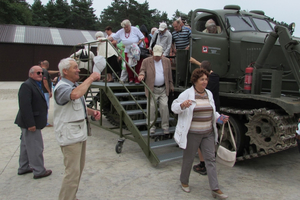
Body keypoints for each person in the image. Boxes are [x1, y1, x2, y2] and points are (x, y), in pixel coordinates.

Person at [171, 68, 229, 199]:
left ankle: (215, 189)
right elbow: (174, 107)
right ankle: (184, 181)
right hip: (192, 133)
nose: (205, 82)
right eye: (202, 79)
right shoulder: (187, 93)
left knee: (211, 160)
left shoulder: (209, 93)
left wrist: (220, 118)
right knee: (189, 158)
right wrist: (182, 105)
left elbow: (212, 112)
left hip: (208, 133)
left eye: (206, 79)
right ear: (195, 80)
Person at [53, 58, 101, 200]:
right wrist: (91, 78)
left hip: (79, 134)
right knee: (72, 174)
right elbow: (75, 95)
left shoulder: (73, 85)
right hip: (70, 137)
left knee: (77, 171)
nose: (78, 70)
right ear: (65, 71)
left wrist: (92, 112)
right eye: (75, 67)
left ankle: (71, 197)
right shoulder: (62, 87)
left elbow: (77, 105)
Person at [15, 65, 52, 179]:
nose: (41, 75)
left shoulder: (35, 84)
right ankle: (39, 170)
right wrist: (30, 124)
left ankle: (24, 167)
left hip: (31, 122)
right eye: (38, 73)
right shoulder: (27, 86)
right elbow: (25, 106)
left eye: (41, 73)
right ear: (31, 74)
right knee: (35, 146)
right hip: (30, 123)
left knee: (26, 145)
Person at [190, 59, 221, 175]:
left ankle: (203, 164)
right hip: (215, 109)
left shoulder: (203, 85)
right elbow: (209, 71)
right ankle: (209, 161)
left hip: (205, 113)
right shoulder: (216, 77)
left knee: (201, 140)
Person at [138, 45, 174, 134]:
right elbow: (142, 70)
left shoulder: (166, 61)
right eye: (155, 55)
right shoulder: (146, 61)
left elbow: (169, 74)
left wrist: (171, 85)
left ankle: (165, 126)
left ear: (162, 54)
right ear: (152, 53)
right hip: (152, 89)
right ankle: (151, 126)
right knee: (151, 108)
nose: (157, 57)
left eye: (159, 55)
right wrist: (142, 74)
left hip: (163, 89)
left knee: (164, 107)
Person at [108, 19, 145, 84]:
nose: (126, 28)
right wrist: (104, 39)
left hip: (135, 50)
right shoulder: (121, 31)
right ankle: (131, 79)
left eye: (127, 27)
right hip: (127, 50)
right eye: (124, 27)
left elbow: (142, 37)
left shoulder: (135, 29)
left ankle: (137, 80)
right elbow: (113, 37)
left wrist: (138, 43)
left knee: (137, 65)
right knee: (128, 65)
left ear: (129, 25)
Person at [41, 60, 55, 127]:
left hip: (42, 90)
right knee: (45, 106)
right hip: (45, 91)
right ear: (47, 65)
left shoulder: (41, 70)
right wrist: (49, 91)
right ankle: (45, 122)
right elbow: (45, 81)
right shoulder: (45, 71)